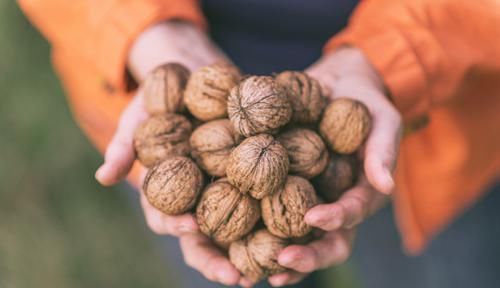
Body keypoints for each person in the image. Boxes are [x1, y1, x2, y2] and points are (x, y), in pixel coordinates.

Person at [19, 0, 500, 287]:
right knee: (224, 262)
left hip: (441, 122)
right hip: (168, 69)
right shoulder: (204, 150)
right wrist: (146, 32)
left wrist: (395, 54)